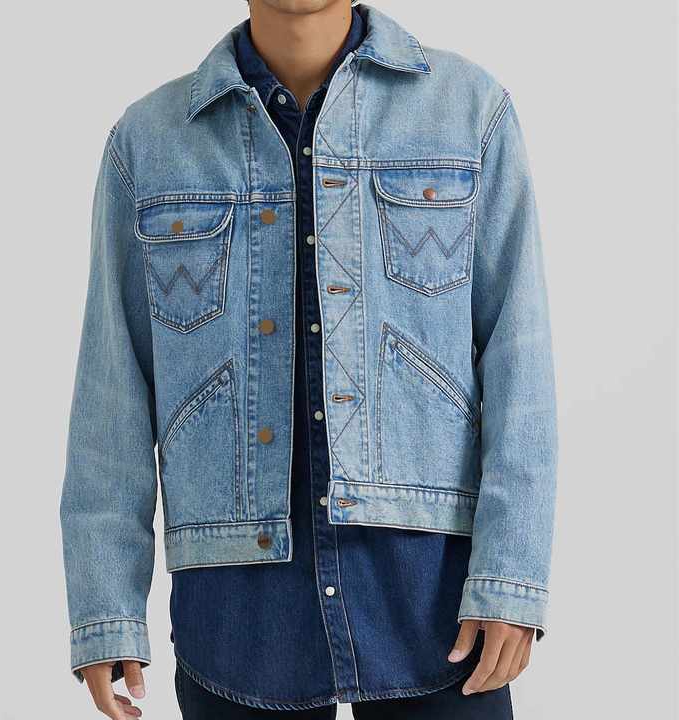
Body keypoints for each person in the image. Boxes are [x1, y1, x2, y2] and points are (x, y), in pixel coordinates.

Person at [60, 2, 558, 718]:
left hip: (434, 601)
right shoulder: (148, 144)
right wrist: (106, 607)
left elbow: (520, 360)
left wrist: (511, 576)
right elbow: (112, 391)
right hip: (237, 617)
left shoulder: (468, 113)